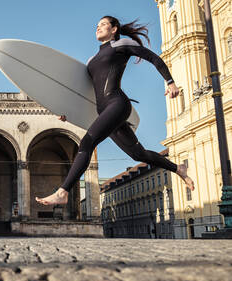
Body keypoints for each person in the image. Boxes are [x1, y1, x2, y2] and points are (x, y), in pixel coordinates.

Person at [36, 16, 194, 205]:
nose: (98, 27)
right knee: (139, 154)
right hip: (104, 110)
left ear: (114, 29)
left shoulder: (121, 44)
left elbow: (153, 57)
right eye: (97, 25)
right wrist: (68, 110)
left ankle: (63, 192)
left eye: (103, 24)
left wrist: (170, 81)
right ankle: (178, 169)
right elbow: (82, 92)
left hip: (117, 104)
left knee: (87, 142)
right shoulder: (91, 60)